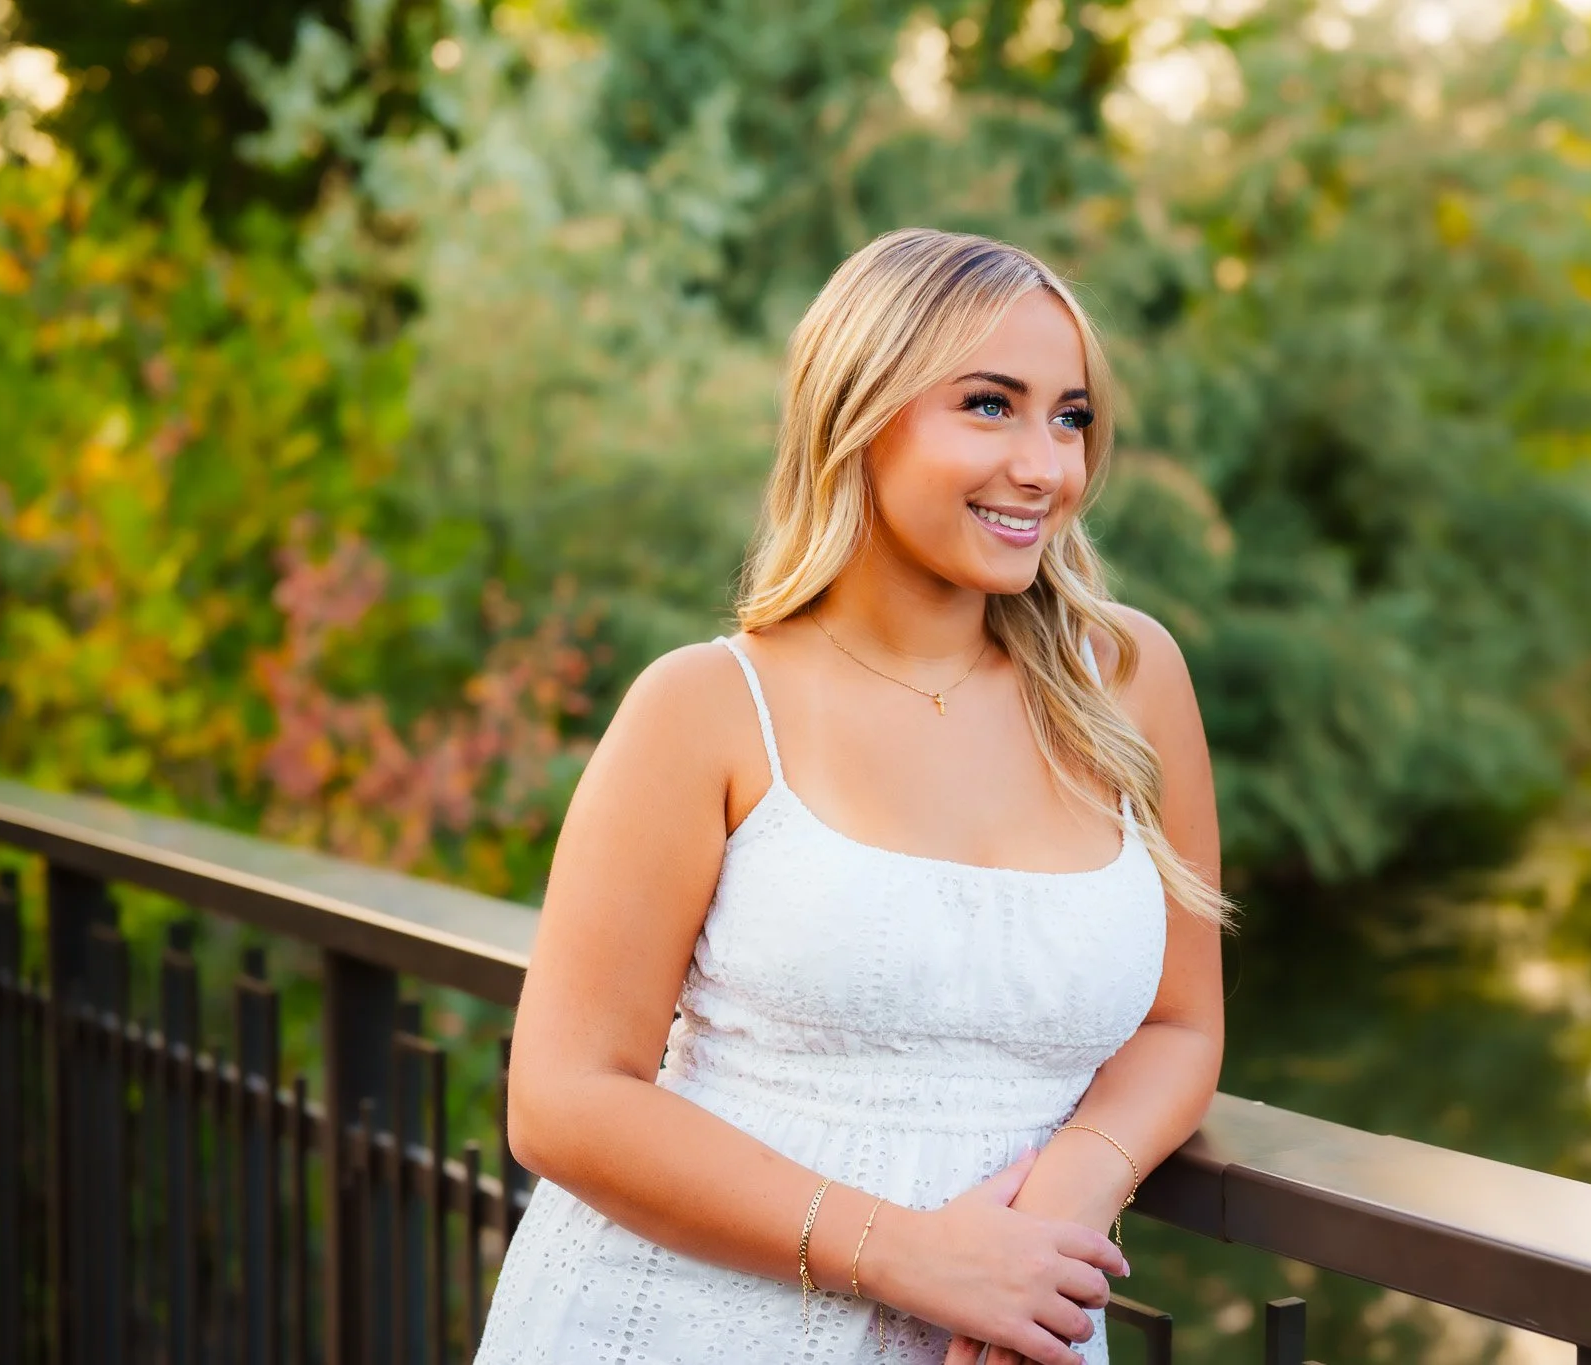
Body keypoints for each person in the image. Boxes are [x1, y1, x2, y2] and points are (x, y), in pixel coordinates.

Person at [474, 227, 1231, 1365]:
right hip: (680, 1323)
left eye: (1068, 416)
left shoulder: (1125, 680)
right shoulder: (708, 706)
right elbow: (563, 1096)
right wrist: (910, 1256)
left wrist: (1060, 1205)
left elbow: (1181, 1023)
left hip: (1015, 1317)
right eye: (989, 405)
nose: (1046, 466)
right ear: (857, 417)